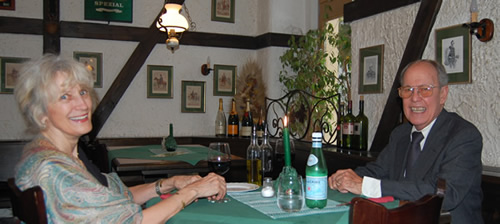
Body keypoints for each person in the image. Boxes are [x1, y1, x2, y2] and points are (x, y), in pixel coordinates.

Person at [13, 54, 227, 223]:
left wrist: (170, 183)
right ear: (40, 113)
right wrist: (193, 191)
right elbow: (135, 222)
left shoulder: (65, 156)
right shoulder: (54, 171)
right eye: (64, 97)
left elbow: (115, 197)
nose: (82, 104)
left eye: (83, 92)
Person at [329, 59, 483, 224]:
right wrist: (346, 178)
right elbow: (378, 170)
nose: (415, 98)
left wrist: (366, 186)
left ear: (443, 94)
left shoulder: (463, 136)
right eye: (407, 90)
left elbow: (445, 195)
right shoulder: (401, 134)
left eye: (425, 90)